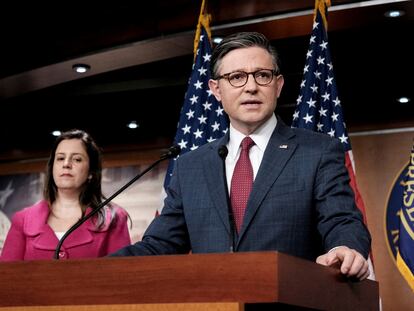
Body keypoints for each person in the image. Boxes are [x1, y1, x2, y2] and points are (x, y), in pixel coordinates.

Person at [110, 32, 371, 280]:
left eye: (262, 76)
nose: (251, 87)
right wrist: (94, 266)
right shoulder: (191, 165)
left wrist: (345, 248)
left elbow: (341, 220)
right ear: (216, 89)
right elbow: (160, 244)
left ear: (278, 85)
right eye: (236, 77)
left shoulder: (318, 151)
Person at [0, 129, 131, 261]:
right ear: (52, 168)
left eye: (77, 159)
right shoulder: (22, 220)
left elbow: (121, 276)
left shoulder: (114, 218)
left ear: (91, 172)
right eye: (61, 158)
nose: (66, 164)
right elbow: (7, 277)